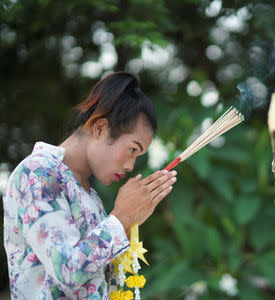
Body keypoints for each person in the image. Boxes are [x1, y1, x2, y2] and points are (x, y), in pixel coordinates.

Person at [2, 71, 177, 299]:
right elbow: (67, 269)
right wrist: (122, 217)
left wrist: (128, 220)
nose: (131, 166)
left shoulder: (89, 196)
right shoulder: (37, 173)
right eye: (132, 149)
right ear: (100, 128)